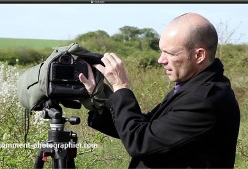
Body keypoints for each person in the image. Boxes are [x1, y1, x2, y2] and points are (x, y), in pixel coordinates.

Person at [78, 13, 240, 168]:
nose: (161, 60)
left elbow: (140, 141)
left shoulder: (206, 99)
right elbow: (143, 127)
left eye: (170, 53)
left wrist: (121, 87)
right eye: (161, 51)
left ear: (199, 55)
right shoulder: (193, 86)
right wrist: (96, 97)